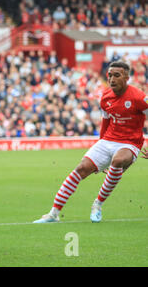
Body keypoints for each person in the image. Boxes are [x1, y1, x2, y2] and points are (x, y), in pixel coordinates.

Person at [34, 62, 148, 223]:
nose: (112, 79)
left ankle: (97, 204)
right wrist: (100, 146)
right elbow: (106, 123)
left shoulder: (139, 97)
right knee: (80, 169)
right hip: (108, 140)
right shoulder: (106, 97)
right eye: (109, 75)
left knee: (117, 161)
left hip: (129, 143)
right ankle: (53, 214)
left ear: (127, 77)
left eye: (117, 75)